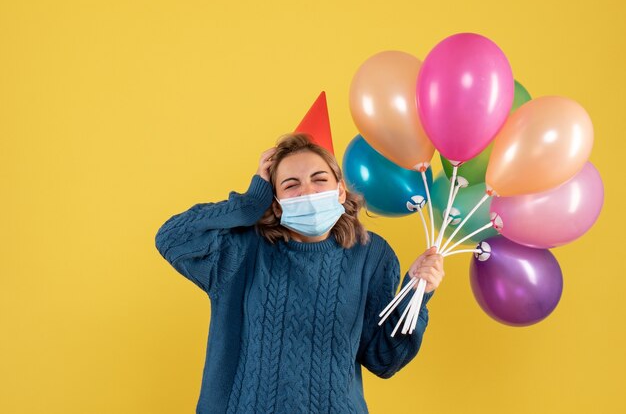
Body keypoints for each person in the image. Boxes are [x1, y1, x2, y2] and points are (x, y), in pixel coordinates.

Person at [155, 133, 444, 414]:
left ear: (340, 190)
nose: (307, 191)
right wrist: (250, 203)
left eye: (319, 180)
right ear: (276, 202)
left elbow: (383, 359)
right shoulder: (241, 250)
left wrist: (415, 293)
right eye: (291, 185)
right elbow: (172, 238)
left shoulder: (370, 255)